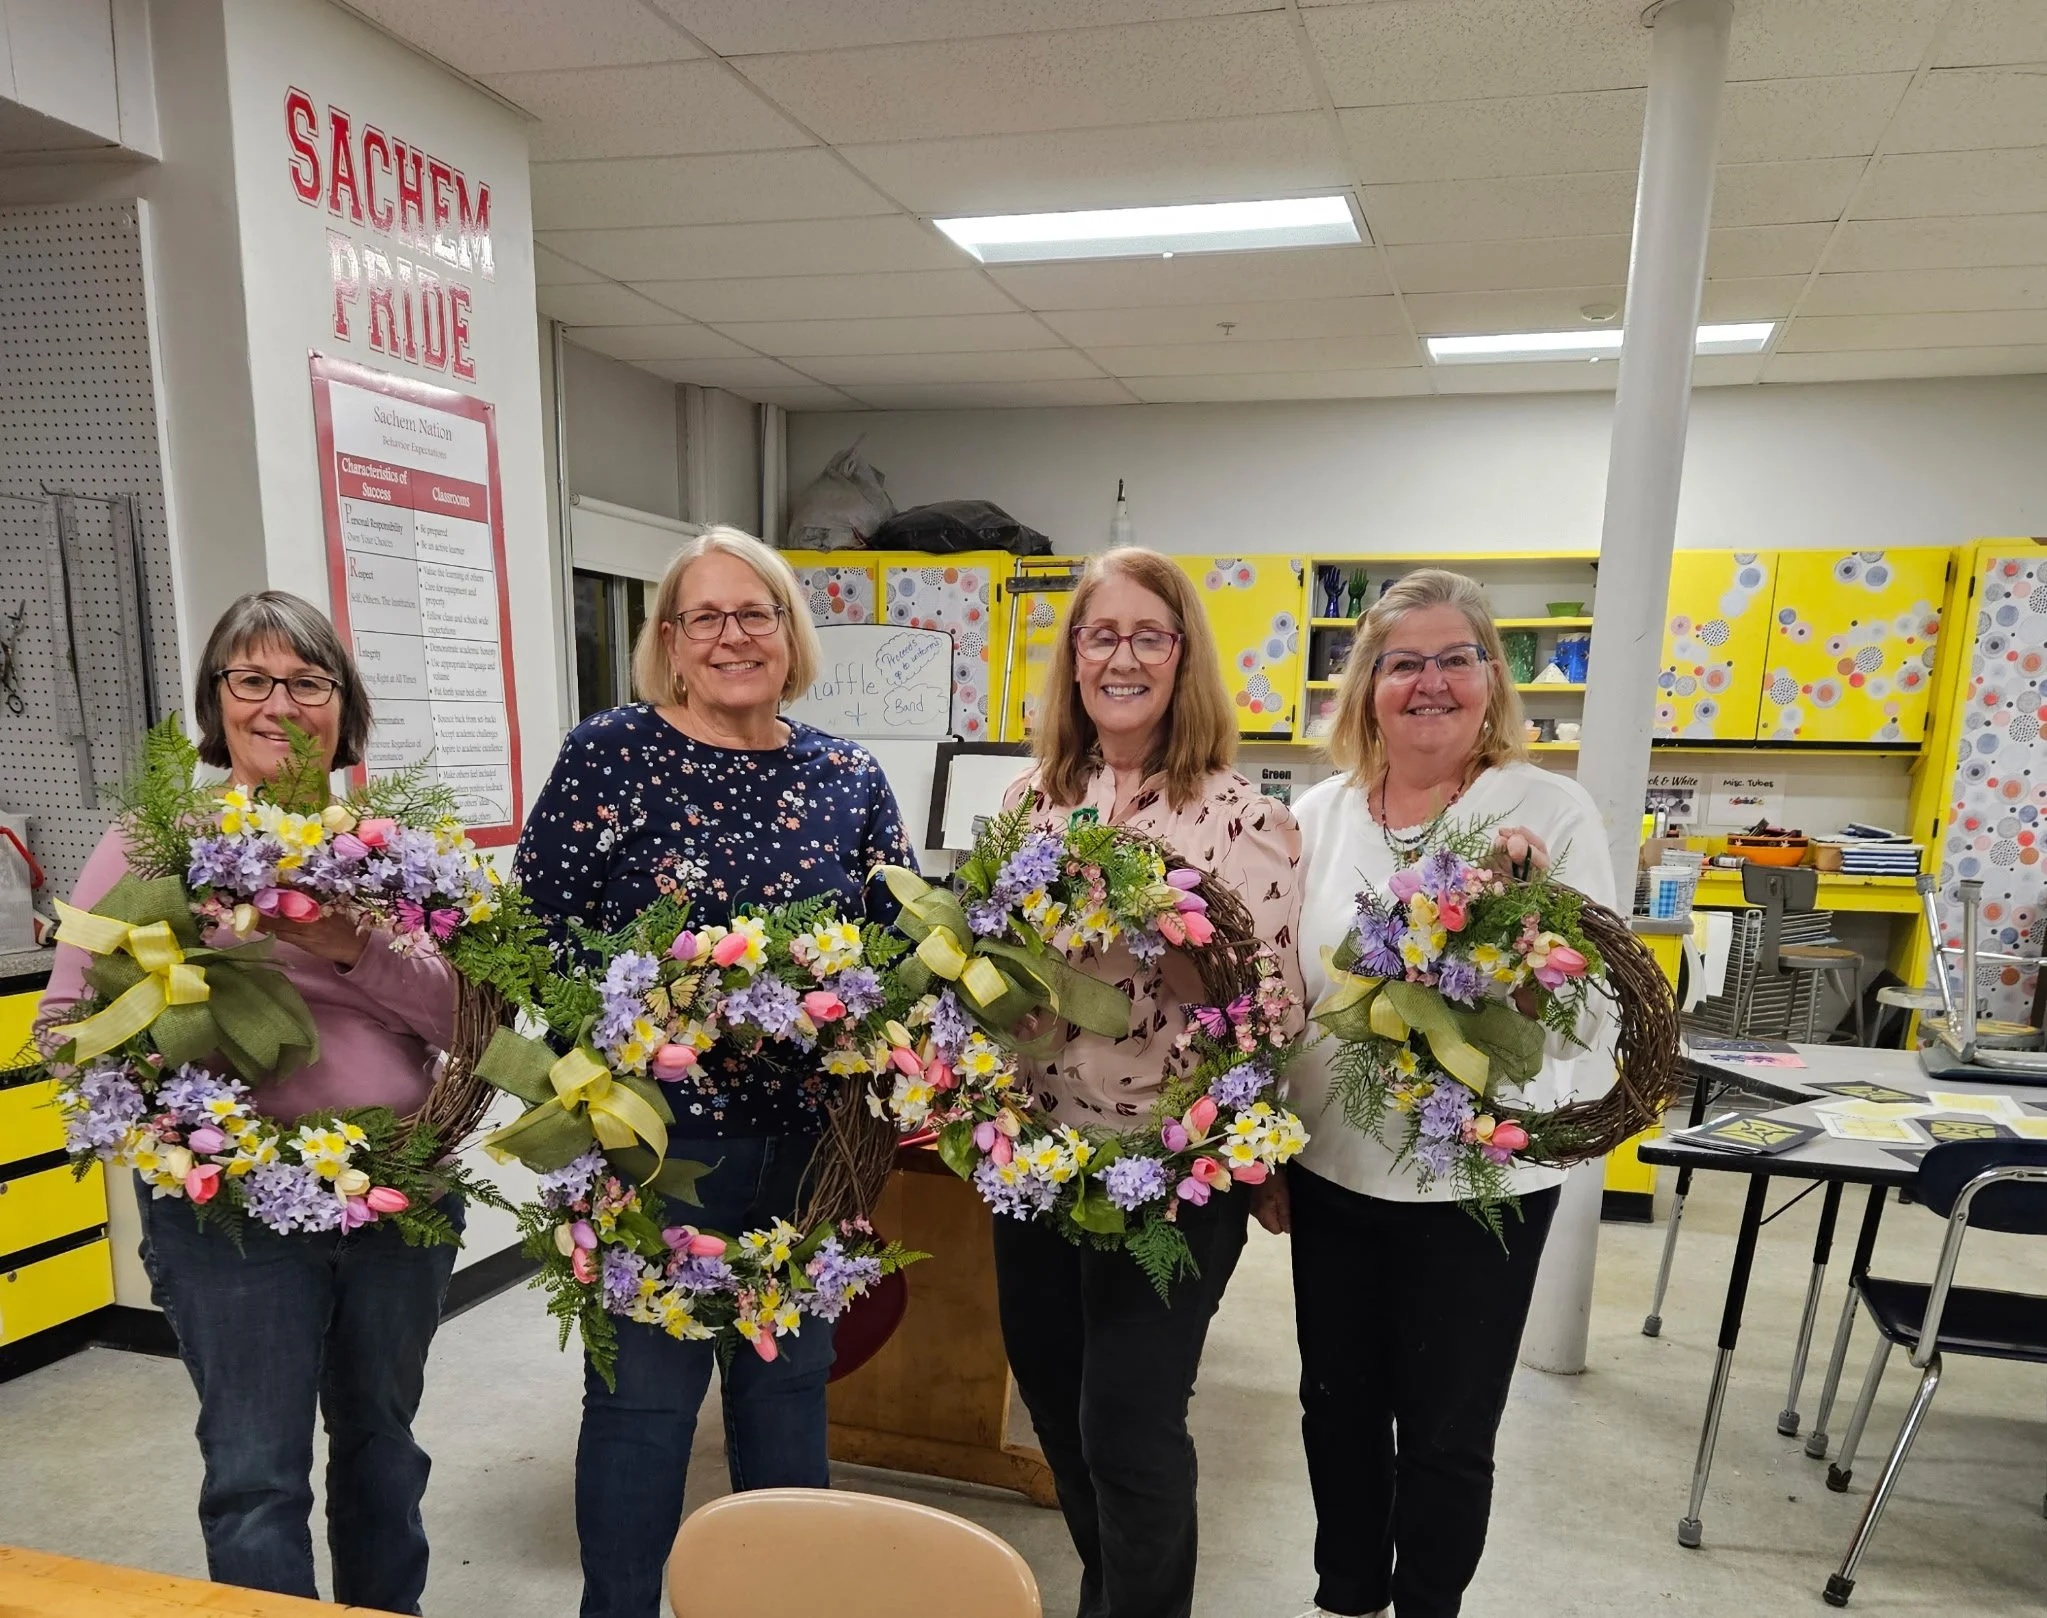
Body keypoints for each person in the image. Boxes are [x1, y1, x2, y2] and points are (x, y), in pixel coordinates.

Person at [513, 526, 916, 1618]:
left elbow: (898, 950)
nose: (733, 636)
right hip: (655, 1149)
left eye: (756, 613)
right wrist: (629, 1033)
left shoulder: (845, 776)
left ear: (790, 632)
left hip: (809, 1150)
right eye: (706, 616)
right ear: (669, 640)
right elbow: (536, 937)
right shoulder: (608, 754)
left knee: (788, 1396)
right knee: (642, 1410)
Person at [38, 591, 461, 1613]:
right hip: (230, 1215)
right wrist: (173, 1120)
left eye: (308, 681)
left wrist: (349, 944)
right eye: (252, 679)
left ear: (343, 705)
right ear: (216, 700)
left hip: (397, 1196)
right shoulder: (153, 844)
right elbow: (64, 1026)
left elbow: (465, 1017)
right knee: (255, 1475)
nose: (280, 704)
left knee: (383, 1448)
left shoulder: (391, 850)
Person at [1275, 568, 1616, 1618]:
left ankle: (1429, 1605)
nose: (1430, 682)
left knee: (1447, 1432)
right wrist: (1264, 1148)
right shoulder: (1316, 816)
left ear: (1491, 678)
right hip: (1333, 1167)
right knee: (1334, 1407)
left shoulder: (1547, 809)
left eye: (1455, 659)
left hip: (1481, 1178)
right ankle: (1347, 1595)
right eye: (1402, 662)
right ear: (1366, 688)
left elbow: (1592, 1008)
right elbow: (1285, 997)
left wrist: (1526, 937)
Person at [993, 547, 1303, 1618]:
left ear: (1183, 658)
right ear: (1073, 656)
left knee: (1127, 1426)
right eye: (1100, 635)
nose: (1121, 658)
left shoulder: (1241, 816)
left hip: (1173, 1168)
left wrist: (1183, 949)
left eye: (1148, 636)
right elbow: (1002, 964)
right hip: (1037, 1158)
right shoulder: (1030, 800)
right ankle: (1111, 1595)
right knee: (1057, 1410)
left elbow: (1271, 1014)